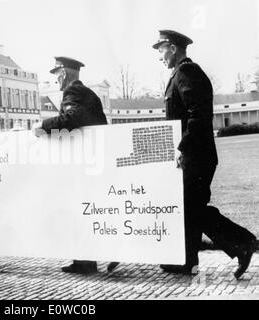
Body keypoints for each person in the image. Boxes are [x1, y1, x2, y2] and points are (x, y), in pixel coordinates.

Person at [136, 30, 256, 279]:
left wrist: (183, 147)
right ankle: (188, 261)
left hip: (196, 155)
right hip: (193, 154)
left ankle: (242, 243)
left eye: (160, 49)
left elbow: (198, 115)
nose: (159, 56)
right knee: (190, 208)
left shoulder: (187, 73)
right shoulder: (180, 75)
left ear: (173, 47)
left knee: (192, 207)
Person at [34, 56, 107, 274]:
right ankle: (85, 260)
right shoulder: (88, 93)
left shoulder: (72, 92)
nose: (56, 79)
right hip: (93, 161)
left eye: (56, 74)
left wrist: (42, 126)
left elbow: (72, 118)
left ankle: (85, 262)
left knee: (78, 210)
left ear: (63, 73)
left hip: (82, 164)